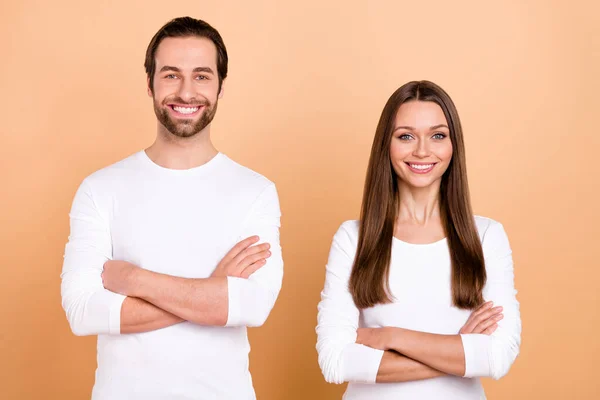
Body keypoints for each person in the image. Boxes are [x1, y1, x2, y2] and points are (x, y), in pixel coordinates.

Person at [60, 16, 283, 400]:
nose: (185, 92)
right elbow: (83, 312)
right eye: (170, 75)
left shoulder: (255, 191)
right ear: (149, 84)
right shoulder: (100, 188)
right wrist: (212, 293)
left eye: (201, 76)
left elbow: (253, 306)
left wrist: (133, 280)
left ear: (220, 87)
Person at [316, 80, 521, 399]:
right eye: (406, 136)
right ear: (387, 144)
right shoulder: (353, 238)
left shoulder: (486, 237)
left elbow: (497, 356)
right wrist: (458, 350)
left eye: (438, 135)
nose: (422, 150)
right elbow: (336, 361)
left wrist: (389, 337)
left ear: (454, 145)